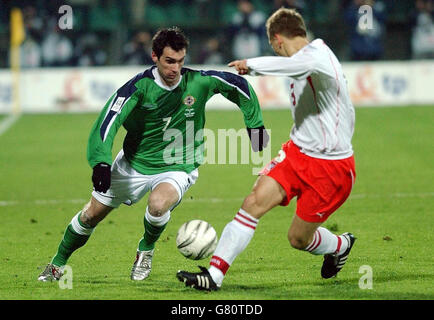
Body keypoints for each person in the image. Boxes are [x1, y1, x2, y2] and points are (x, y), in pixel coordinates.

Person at [38, 27, 269, 282]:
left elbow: (239, 85)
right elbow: (107, 122)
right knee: (90, 215)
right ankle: (57, 264)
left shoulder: (198, 81)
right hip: (133, 164)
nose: (175, 69)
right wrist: (100, 163)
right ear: (155, 57)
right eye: (169, 61)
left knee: (158, 205)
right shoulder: (137, 88)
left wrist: (255, 126)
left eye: (181, 62)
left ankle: (145, 250)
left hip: (178, 164)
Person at [177, 8, 357, 291]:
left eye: (274, 47)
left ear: (277, 40)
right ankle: (214, 276)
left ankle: (340, 245)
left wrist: (252, 64)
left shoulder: (318, 56)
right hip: (297, 153)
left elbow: (293, 66)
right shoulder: (306, 60)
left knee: (299, 239)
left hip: (331, 166)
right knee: (252, 203)